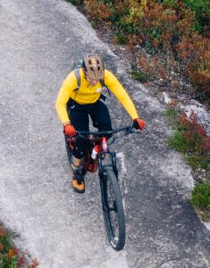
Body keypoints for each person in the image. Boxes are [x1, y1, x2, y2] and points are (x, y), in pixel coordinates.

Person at [55, 54, 144, 193]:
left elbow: (123, 96)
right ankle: (77, 172)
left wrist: (135, 117)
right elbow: (60, 103)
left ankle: (94, 151)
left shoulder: (106, 76)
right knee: (80, 139)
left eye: (98, 78)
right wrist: (67, 124)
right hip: (77, 106)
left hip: (94, 103)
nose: (95, 81)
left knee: (106, 131)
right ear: (84, 73)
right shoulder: (73, 78)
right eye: (91, 78)